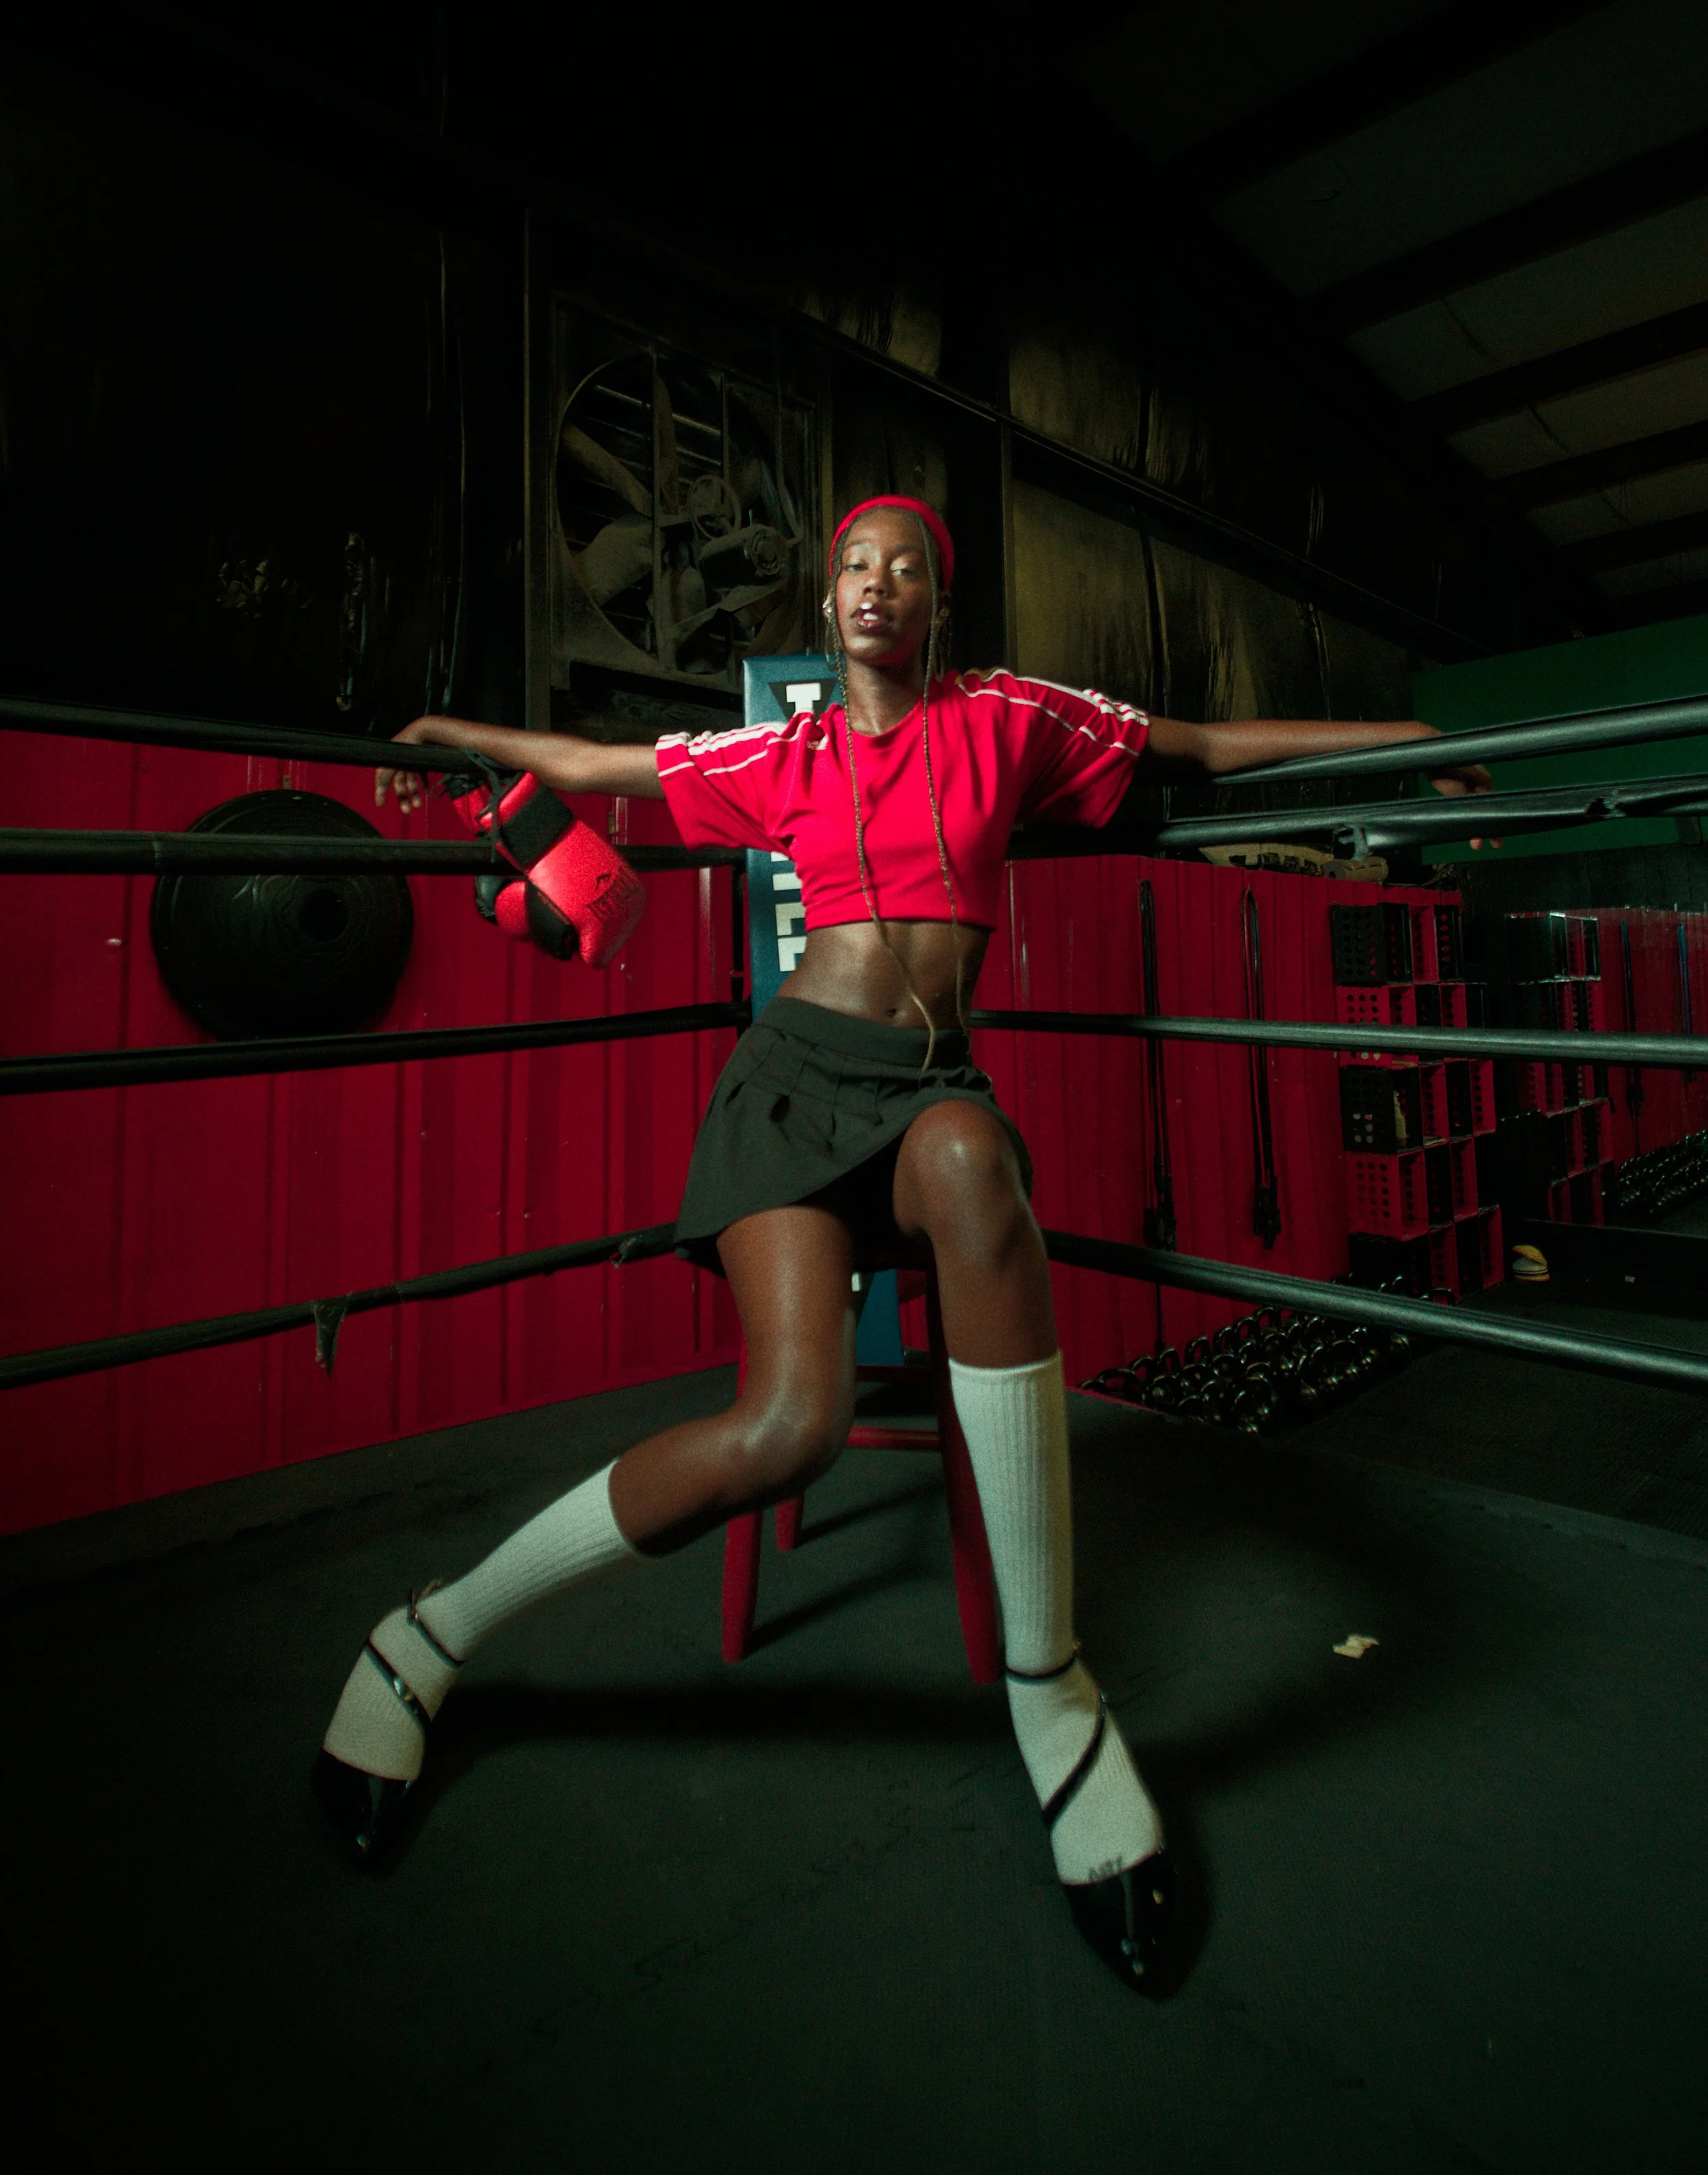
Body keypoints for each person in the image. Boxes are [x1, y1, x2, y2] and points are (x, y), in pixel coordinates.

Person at [318, 495, 1491, 1991]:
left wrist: (1390, 746)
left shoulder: (1009, 718)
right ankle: (428, 1635)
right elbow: (603, 766)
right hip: (788, 1086)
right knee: (791, 1426)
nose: (875, 587)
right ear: (832, 600)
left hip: (924, 1091)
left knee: (968, 1149)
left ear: (940, 601)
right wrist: (476, 736)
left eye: (905, 570)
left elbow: (1196, 748)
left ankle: (1049, 1687)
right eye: (854, 569)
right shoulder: (784, 749)